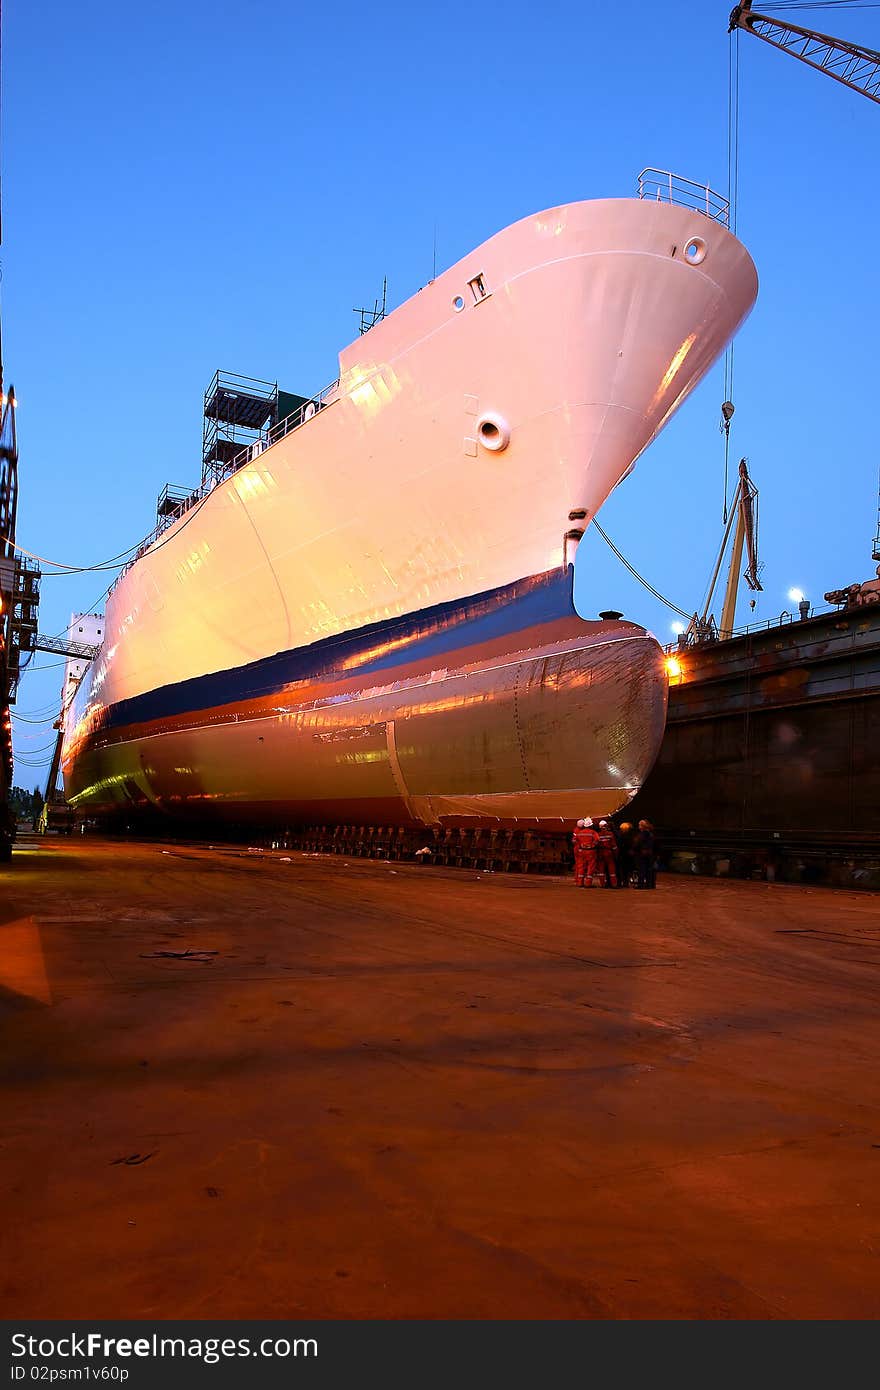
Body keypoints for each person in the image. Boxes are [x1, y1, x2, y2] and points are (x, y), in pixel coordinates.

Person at [571, 817, 600, 888]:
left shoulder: (579, 832)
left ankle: (580, 883)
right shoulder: (593, 832)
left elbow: (574, 840)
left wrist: (580, 845)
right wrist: (591, 845)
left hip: (581, 851)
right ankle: (588, 884)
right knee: (590, 867)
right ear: (591, 825)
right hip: (591, 851)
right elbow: (597, 841)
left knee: (581, 867)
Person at [596, 820, 618, 888]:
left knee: (601, 870)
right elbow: (614, 845)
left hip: (601, 853)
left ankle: (602, 884)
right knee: (612, 870)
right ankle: (614, 884)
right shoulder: (610, 834)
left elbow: (596, 845)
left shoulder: (598, 835)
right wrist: (616, 854)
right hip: (609, 853)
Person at [635, 819, 656, 889]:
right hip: (649, 853)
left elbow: (639, 843)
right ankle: (649, 884)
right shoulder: (650, 834)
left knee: (642, 870)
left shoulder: (643, 834)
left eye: (639, 825)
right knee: (648, 870)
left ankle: (641, 885)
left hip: (642, 854)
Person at [616, 821, 635, 887]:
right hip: (626, 855)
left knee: (621, 869)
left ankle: (620, 882)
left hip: (622, 855)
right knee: (626, 870)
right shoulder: (630, 836)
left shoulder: (619, 836)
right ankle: (625, 882)